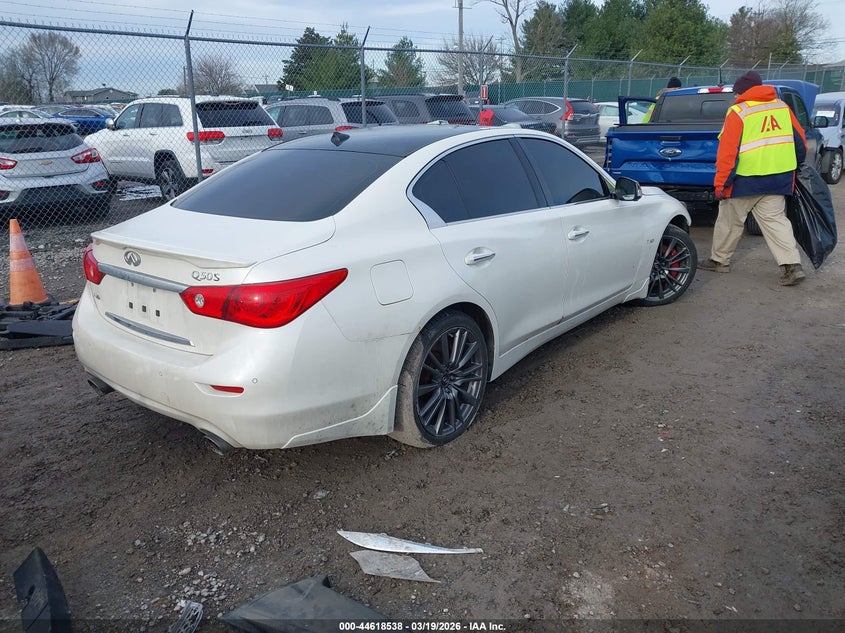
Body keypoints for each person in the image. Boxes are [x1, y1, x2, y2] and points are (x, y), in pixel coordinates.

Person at [698, 70, 808, 286]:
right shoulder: (782, 108)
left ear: (742, 91)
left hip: (744, 180)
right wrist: (793, 168)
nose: (734, 96)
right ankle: (792, 267)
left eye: (736, 92)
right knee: (776, 222)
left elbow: (727, 154)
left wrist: (721, 184)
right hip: (778, 179)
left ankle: (720, 261)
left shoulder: (738, 112)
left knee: (729, 221)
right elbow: (800, 144)